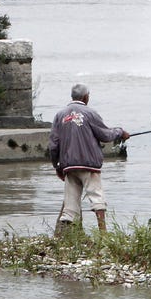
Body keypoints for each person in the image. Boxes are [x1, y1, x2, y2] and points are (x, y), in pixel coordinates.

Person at [48, 83, 129, 235]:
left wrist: (57, 166)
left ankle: (67, 236)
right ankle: (103, 233)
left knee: (70, 206)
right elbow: (105, 135)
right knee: (96, 197)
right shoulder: (90, 113)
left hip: (69, 165)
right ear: (86, 97)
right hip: (89, 164)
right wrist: (120, 132)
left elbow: (53, 144)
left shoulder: (60, 115)